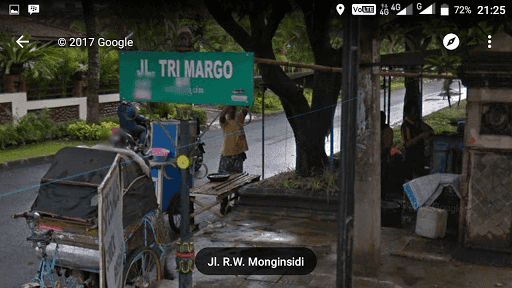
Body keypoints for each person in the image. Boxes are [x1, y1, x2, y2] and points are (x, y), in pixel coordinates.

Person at [400, 103, 433, 180]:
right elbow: (407, 144)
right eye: (414, 112)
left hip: (419, 155)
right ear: (408, 114)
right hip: (411, 157)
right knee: (412, 179)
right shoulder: (406, 126)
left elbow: (429, 129)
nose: (416, 115)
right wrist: (420, 136)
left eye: (416, 112)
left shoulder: (417, 123)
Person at [218, 105, 249, 174]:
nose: (231, 111)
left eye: (233, 110)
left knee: (237, 177)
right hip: (227, 156)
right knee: (224, 177)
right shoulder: (225, 123)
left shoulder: (239, 120)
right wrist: (228, 105)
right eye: (229, 110)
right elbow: (222, 117)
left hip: (238, 155)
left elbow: (245, 109)